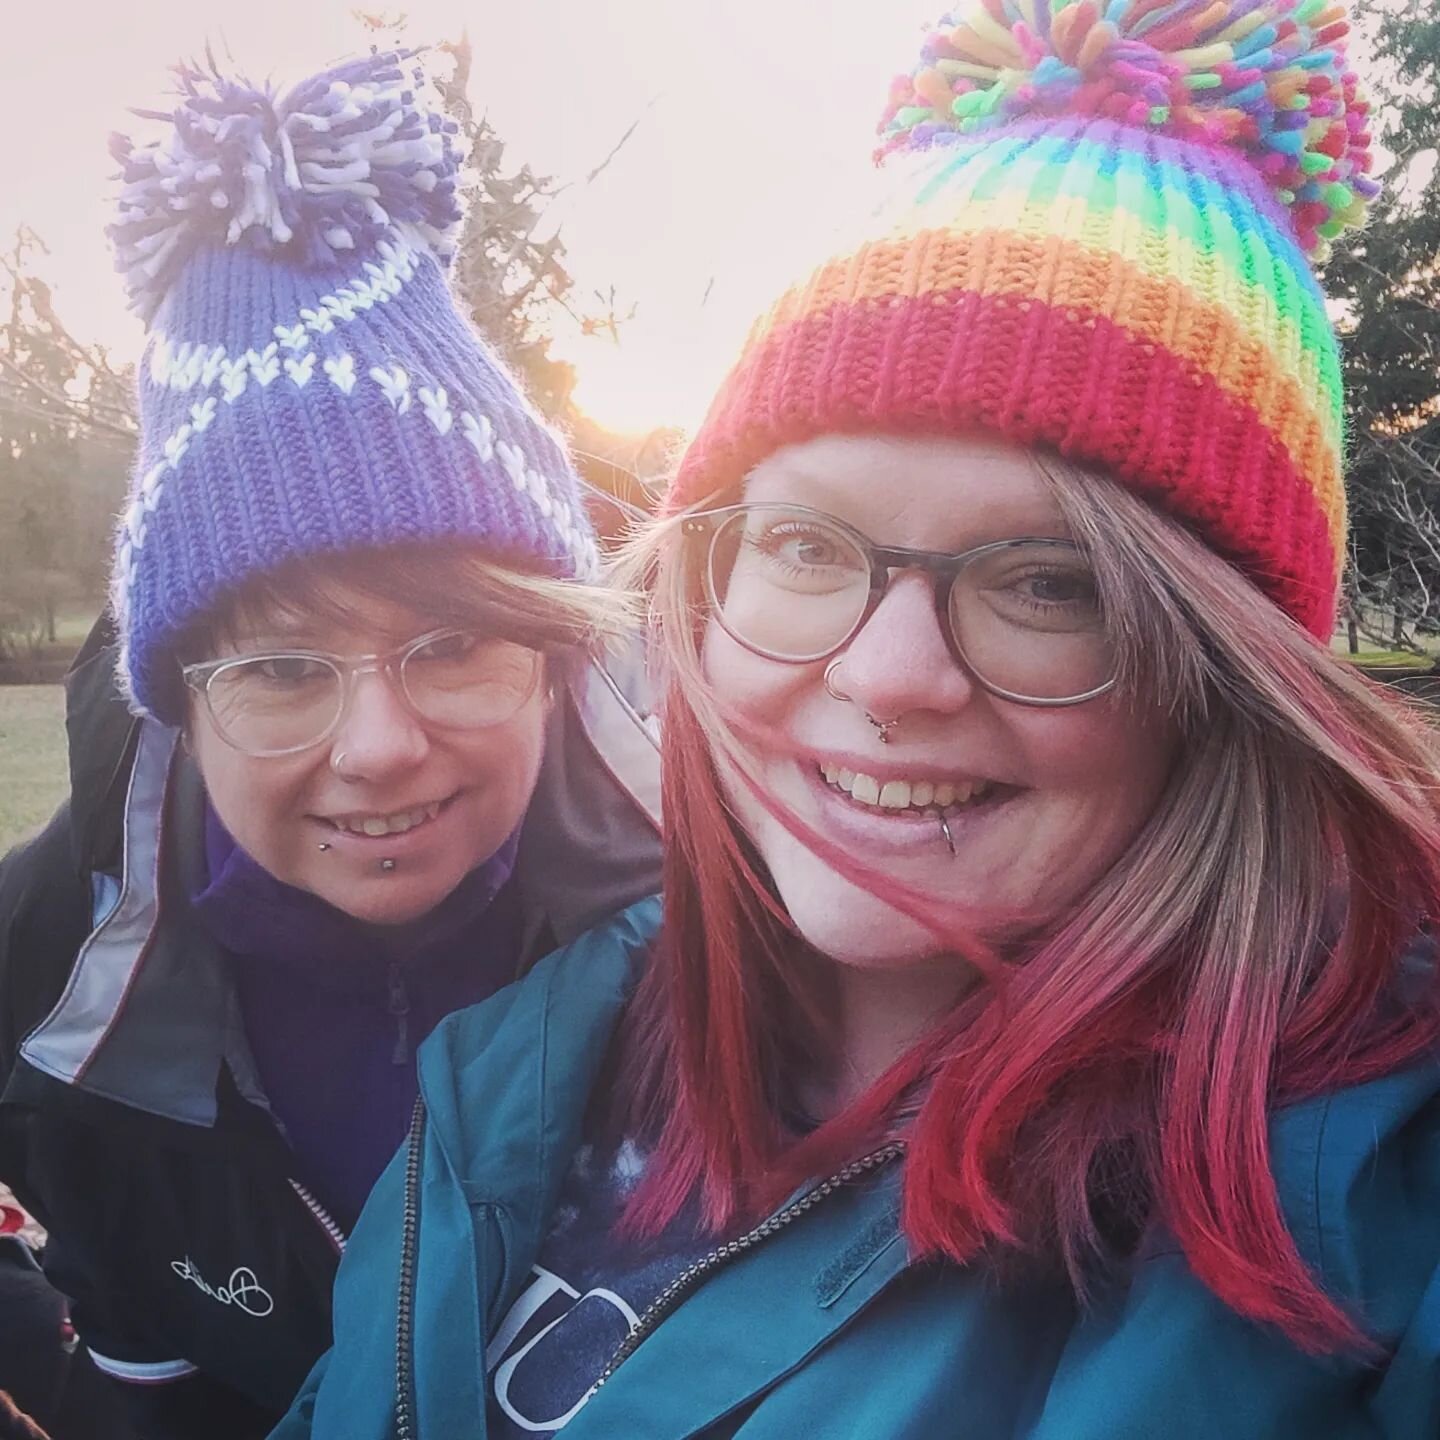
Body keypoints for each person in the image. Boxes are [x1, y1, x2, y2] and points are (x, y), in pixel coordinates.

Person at [276, 2, 1440, 1436]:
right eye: (812, 548)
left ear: (1225, 675)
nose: (887, 677)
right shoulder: (526, 1059)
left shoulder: (1367, 1224)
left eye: (1048, 583)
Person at [0, 50, 660, 1440]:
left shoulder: (746, 917)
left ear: (555, 656)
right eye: (284, 667)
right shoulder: (46, 950)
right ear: (180, 693)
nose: (380, 748)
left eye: (453, 643)